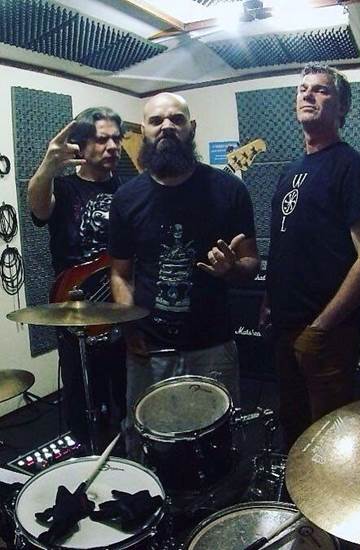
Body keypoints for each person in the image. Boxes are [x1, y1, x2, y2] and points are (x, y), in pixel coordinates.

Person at [108, 92, 259, 457]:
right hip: (148, 348)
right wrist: (129, 329)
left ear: (191, 128)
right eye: (156, 121)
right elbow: (121, 274)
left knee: (219, 444)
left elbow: (251, 263)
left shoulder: (230, 190)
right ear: (143, 130)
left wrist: (232, 269)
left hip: (212, 346)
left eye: (176, 119)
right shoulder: (126, 198)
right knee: (147, 444)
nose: (166, 126)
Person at [264, 63, 360, 449]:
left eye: (321, 90)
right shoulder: (289, 171)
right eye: (303, 89)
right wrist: (270, 298)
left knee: (327, 441)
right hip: (286, 327)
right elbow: (287, 244)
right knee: (293, 430)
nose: (308, 94)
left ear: (342, 107)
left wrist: (320, 328)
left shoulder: (356, 168)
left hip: (328, 333)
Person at [28, 107, 127, 445]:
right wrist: (48, 165)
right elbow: (39, 209)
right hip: (76, 312)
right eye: (102, 139)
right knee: (83, 401)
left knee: (127, 396)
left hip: (122, 309)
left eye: (117, 138)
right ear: (80, 146)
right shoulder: (64, 188)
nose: (112, 146)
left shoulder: (129, 190)